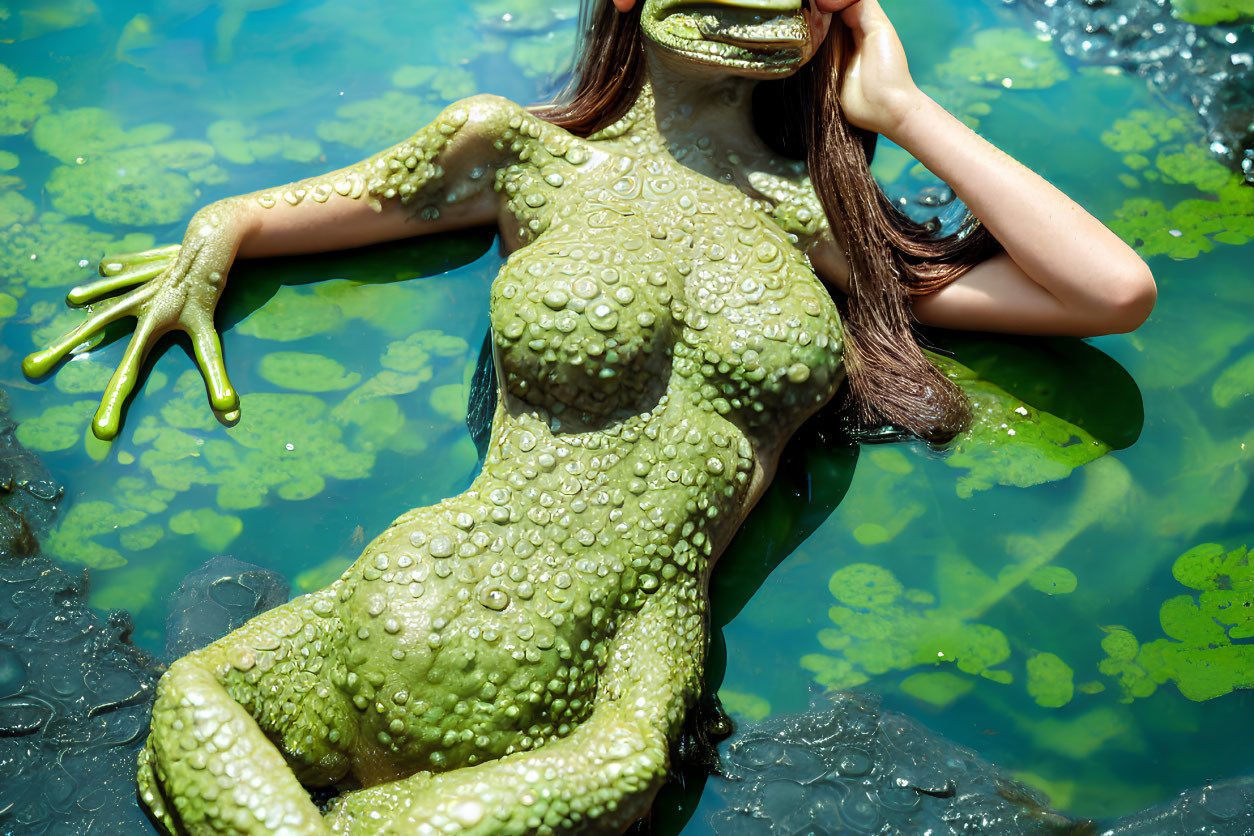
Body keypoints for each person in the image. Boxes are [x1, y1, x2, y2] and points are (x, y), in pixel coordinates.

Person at [23, 0, 1155, 833]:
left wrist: (902, 109)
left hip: (630, 647)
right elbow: (265, 212)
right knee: (201, 696)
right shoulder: (516, 155)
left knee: (614, 775)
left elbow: (1106, 289)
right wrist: (201, 252)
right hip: (436, 585)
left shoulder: (822, 223)